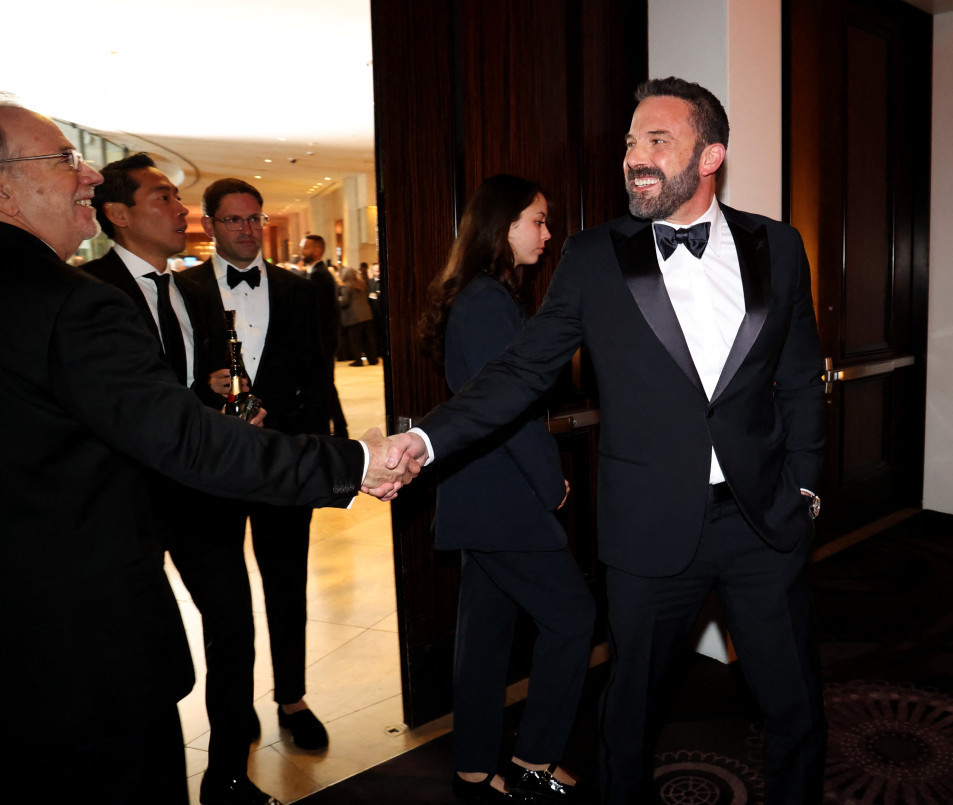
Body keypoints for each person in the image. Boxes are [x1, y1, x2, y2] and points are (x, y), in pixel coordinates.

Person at [385, 77, 828, 803]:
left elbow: (802, 376)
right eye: (630, 143)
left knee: (794, 704)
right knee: (628, 715)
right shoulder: (594, 256)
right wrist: (428, 441)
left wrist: (806, 490)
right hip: (648, 529)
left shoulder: (778, 246)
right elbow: (521, 371)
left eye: (658, 140)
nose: (634, 157)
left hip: (763, 520)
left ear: (710, 154)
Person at [0, 102, 417, 803]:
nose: (89, 173)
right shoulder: (73, 302)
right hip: (85, 650)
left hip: (34, 632)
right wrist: (353, 464)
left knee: (239, 621)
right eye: (66, 160)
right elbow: (179, 438)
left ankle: (237, 761)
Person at [84, 153, 280, 805]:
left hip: (199, 494)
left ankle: (227, 774)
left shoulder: (196, 290)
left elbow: (184, 388)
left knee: (233, 626)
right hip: (125, 503)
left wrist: (219, 397)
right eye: (163, 197)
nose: (182, 209)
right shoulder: (87, 292)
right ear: (117, 214)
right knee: (141, 650)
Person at [421, 175, 594, 803]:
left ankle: (473, 766)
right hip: (503, 501)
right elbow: (512, 412)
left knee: (486, 638)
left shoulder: (475, 296)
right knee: (575, 621)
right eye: (538, 221)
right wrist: (552, 486)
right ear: (503, 225)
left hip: (477, 495)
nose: (547, 236)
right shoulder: (489, 301)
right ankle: (534, 761)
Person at [187, 182, 338, 752]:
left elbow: (317, 374)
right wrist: (205, 390)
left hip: (282, 461)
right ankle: (233, 705)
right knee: (225, 598)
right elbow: (170, 376)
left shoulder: (298, 289)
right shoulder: (182, 289)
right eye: (233, 221)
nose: (247, 230)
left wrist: (317, 456)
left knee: (287, 582)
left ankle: (292, 696)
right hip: (214, 463)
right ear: (210, 226)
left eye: (255, 219)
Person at [300, 233, 348, 436]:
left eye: (306, 247)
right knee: (328, 385)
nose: (301, 251)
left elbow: (319, 316)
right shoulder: (318, 273)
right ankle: (339, 427)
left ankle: (337, 429)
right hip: (325, 342)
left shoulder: (319, 275)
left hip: (322, 343)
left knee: (325, 386)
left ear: (317, 251)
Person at [339, 260, 378, 366]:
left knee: (355, 341)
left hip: (354, 318)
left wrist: (337, 301)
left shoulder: (347, 286)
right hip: (366, 315)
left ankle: (358, 360)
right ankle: (373, 359)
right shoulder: (362, 283)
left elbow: (345, 302)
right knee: (368, 340)